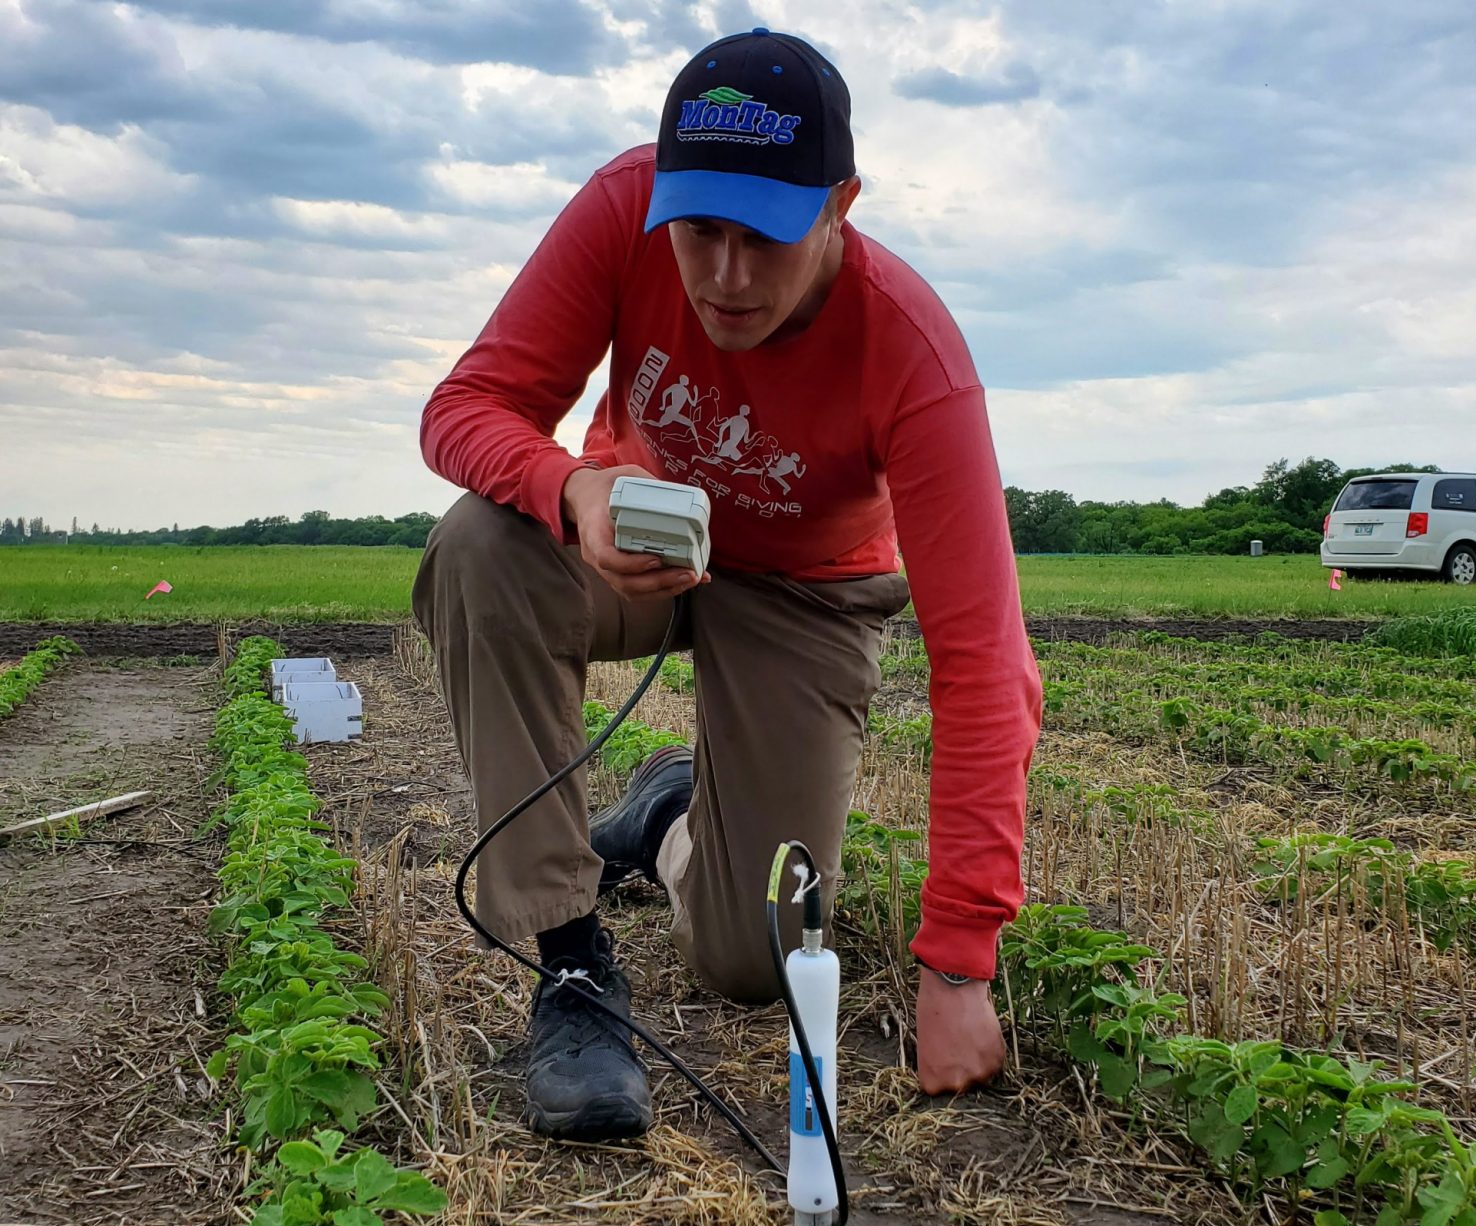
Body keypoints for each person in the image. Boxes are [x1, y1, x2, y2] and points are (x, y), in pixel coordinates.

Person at [412, 28, 1042, 1142]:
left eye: (767, 235)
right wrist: (571, 492)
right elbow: (464, 409)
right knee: (478, 547)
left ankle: (665, 818)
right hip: (637, 546)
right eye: (699, 231)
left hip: (805, 591)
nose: (725, 276)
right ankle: (569, 963)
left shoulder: (913, 353)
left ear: (839, 201)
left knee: (753, 957)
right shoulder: (619, 210)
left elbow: (985, 663)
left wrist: (957, 962)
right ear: (662, 199)